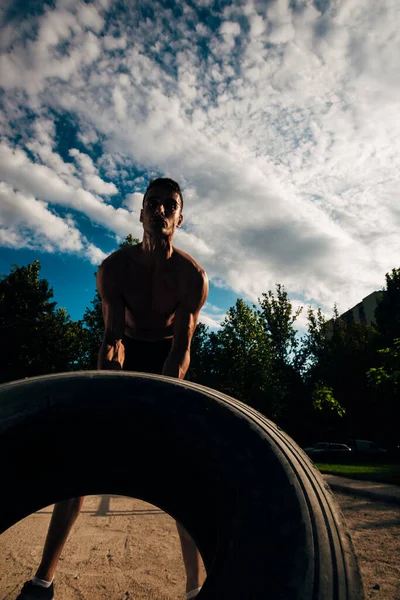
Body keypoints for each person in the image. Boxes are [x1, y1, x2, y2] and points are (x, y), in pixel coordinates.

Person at [17, 177, 209, 600]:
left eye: (169, 205)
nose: (160, 210)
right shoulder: (114, 268)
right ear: (141, 214)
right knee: (79, 466)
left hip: (166, 359)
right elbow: (112, 338)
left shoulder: (191, 277)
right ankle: (41, 581)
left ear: (180, 217)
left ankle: (196, 589)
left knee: (183, 476)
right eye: (152, 203)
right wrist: (111, 390)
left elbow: (181, 349)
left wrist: (160, 400)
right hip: (123, 349)